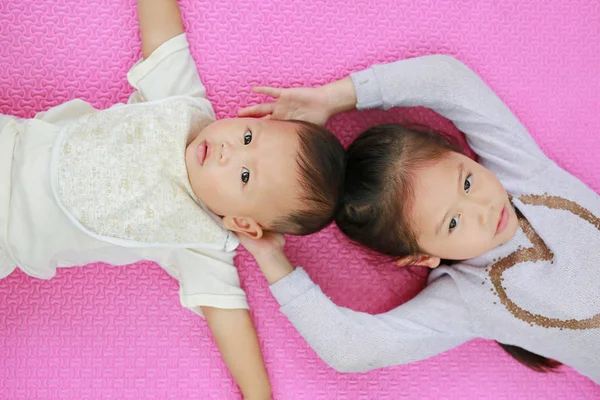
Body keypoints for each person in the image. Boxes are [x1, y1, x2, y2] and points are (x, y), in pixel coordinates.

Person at [0, 1, 345, 398]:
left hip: (9, 238)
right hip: (10, 143)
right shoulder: (182, 104)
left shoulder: (202, 240)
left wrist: (258, 395)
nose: (228, 150)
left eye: (245, 176)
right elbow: (163, 32)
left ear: (244, 222)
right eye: (248, 136)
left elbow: (230, 321)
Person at [238, 54, 600, 384]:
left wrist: (334, 98)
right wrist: (272, 258)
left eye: (468, 182)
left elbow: (449, 79)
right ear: (424, 257)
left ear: (462, 155)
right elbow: (353, 348)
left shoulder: (519, 170)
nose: (484, 209)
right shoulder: (468, 297)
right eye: (453, 224)